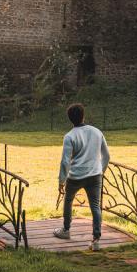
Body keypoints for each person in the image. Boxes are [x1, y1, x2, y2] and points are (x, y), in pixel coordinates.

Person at [53, 103, 110, 250]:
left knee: (68, 201)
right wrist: (100, 171)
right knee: (95, 207)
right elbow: (106, 156)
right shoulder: (97, 132)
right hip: (95, 175)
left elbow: (65, 161)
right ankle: (96, 240)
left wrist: (61, 180)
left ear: (70, 119)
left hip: (75, 176)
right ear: (83, 115)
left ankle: (66, 231)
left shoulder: (69, 136)